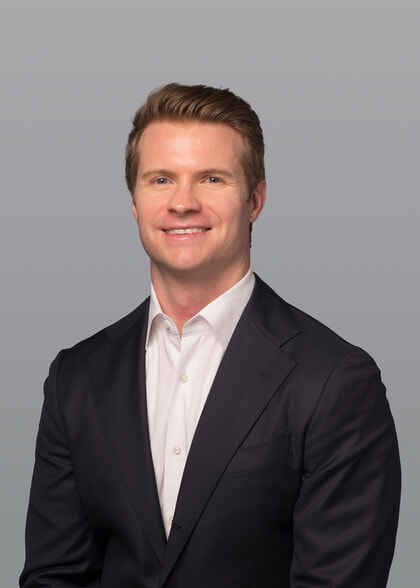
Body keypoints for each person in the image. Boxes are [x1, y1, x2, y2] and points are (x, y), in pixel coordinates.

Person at [20, 83, 400, 587]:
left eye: (211, 178)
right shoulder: (76, 378)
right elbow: (54, 576)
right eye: (160, 179)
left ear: (255, 200)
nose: (183, 203)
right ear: (134, 202)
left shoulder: (334, 380)